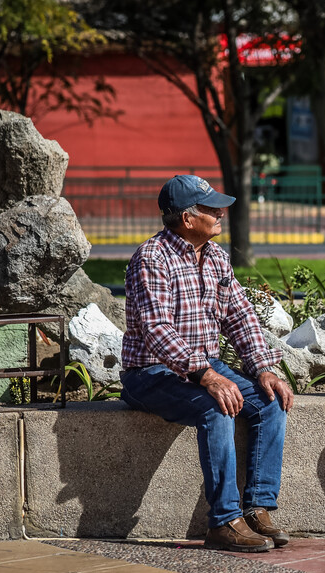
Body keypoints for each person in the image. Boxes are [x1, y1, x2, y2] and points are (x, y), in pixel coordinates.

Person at [120, 174, 294, 553]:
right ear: (186, 218)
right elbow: (156, 328)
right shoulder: (151, 258)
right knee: (218, 410)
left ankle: (258, 509)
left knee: (270, 400)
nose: (220, 213)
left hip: (203, 365)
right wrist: (206, 375)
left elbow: (239, 315)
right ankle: (224, 522)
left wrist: (264, 367)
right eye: (211, 208)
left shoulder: (215, 256)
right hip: (150, 373)